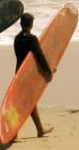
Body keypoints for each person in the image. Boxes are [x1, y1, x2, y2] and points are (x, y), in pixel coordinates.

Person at [11, 12, 55, 141]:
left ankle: (40, 129)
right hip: (28, 76)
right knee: (23, 104)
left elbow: (21, 57)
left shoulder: (17, 38)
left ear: (21, 24)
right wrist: (48, 71)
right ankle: (14, 135)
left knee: (30, 102)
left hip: (18, 73)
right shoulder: (31, 39)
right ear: (31, 24)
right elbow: (39, 56)